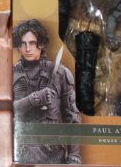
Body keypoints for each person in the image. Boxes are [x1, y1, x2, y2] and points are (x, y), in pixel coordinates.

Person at [13, 19, 81, 164]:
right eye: (23, 44)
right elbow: (5, 112)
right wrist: (33, 99)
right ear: (18, 46)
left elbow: (72, 117)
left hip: (53, 155)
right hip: (20, 153)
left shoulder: (60, 73)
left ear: (42, 44)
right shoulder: (10, 74)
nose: (28, 49)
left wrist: (74, 155)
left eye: (32, 43)